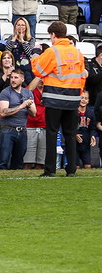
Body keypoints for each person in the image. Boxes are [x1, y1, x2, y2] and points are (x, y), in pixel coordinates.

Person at [32, 21, 86, 177]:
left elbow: (38, 70)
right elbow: (82, 76)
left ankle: (50, 170)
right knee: (70, 134)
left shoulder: (52, 51)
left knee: (51, 132)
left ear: (53, 35)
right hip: (73, 99)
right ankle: (71, 170)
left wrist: (36, 54)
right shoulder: (77, 52)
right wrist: (78, 95)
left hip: (55, 99)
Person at [0, 69, 36, 171]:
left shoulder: (28, 93)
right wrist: (21, 106)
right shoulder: (5, 92)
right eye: (11, 77)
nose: (13, 80)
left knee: (18, 161)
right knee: (4, 160)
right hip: (8, 129)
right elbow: (3, 112)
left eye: (16, 78)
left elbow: (34, 113)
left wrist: (28, 106)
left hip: (22, 130)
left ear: (22, 79)